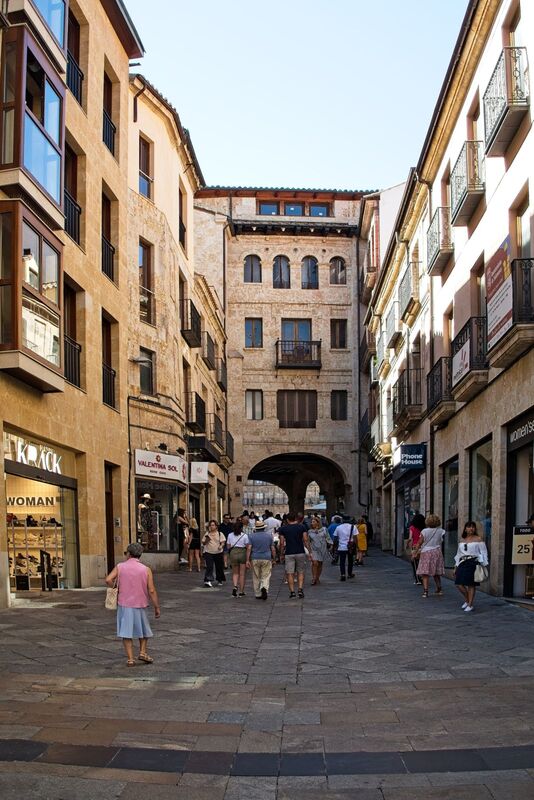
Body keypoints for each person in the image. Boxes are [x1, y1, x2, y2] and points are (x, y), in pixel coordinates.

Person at [105, 543, 160, 667]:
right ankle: (142, 652)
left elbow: (108, 579)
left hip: (124, 604)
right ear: (140, 555)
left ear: (128, 554)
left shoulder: (120, 566)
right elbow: (151, 590)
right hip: (141, 604)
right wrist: (156, 606)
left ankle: (130, 659)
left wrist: (116, 588)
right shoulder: (145, 569)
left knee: (126, 632)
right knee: (144, 630)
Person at [453, 521, 489, 613]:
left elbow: (484, 552)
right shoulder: (462, 540)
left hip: (473, 562)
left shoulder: (478, 539)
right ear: (465, 529)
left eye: (473, 527)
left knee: (471, 584)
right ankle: (467, 600)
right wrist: (456, 566)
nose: (471, 528)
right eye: (469, 527)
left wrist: (484, 564)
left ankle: (470, 604)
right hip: (462, 562)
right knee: (458, 583)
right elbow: (458, 554)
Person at [279, 512, 311, 598]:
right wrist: (310, 551)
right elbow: (305, 540)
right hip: (300, 552)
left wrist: (281, 554)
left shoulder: (283, 529)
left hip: (289, 552)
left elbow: (282, 543)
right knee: (300, 571)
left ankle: (292, 592)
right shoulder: (302, 527)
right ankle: (300, 589)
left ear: (287, 520)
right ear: (296, 518)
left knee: (290, 573)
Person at [415, 513, 446, 597]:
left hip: (426, 552)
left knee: (425, 573)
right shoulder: (441, 531)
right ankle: (439, 589)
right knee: (436, 572)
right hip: (437, 552)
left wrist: (415, 552)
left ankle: (425, 591)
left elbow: (419, 542)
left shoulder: (424, 531)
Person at [247, 519, 277, 600]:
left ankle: (257, 594)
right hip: (266, 557)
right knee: (266, 575)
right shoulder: (269, 536)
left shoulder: (251, 536)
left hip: (255, 557)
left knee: (256, 576)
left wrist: (247, 560)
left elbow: (249, 548)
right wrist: (274, 559)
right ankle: (264, 587)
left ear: (256, 528)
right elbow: (273, 548)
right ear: (264, 528)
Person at [227, 519, 250, 597]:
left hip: (233, 553)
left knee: (235, 573)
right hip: (242, 553)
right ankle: (241, 591)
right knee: (242, 574)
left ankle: (235, 586)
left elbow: (228, 546)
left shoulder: (230, 535)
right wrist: (248, 559)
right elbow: (247, 547)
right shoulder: (245, 535)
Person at [202, 519, 226, 587]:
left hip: (218, 552)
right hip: (209, 552)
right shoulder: (207, 534)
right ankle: (207, 580)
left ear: (216, 526)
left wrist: (221, 546)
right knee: (209, 566)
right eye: (210, 525)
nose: (211, 527)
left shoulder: (220, 533)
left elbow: (223, 542)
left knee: (219, 567)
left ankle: (219, 579)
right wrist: (207, 540)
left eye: (213, 525)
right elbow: (203, 543)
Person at [308, 516, 332, 585]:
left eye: (313, 522)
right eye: (312, 522)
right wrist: (309, 550)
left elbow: (328, 537)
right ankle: (314, 578)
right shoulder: (309, 531)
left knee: (320, 564)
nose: (312, 523)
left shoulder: (324, 529)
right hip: (314, 549)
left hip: (322, 549)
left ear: (318, 523)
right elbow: (308, 541)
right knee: (315, 563)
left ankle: (317, 577)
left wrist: (331, 545)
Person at [407, 513, 425, 585]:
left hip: (415, 547)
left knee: (414, 563)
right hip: (423, 546)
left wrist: (408, 545)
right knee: (422, 563)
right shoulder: (424, 528)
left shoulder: (412, 527)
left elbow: (410, 538)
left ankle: (418, 579)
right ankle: (423, 577)